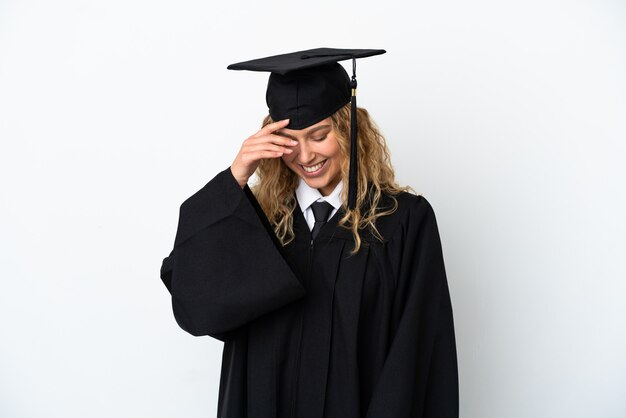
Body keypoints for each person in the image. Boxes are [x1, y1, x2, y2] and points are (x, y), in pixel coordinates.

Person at [160, 48, 459, 418]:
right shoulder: (258, 219)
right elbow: (194, 300)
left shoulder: (401, 221)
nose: (305, 156)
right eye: (289, 141)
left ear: (351, 130)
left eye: (319, 136)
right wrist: (235, 177)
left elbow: (417, 348)